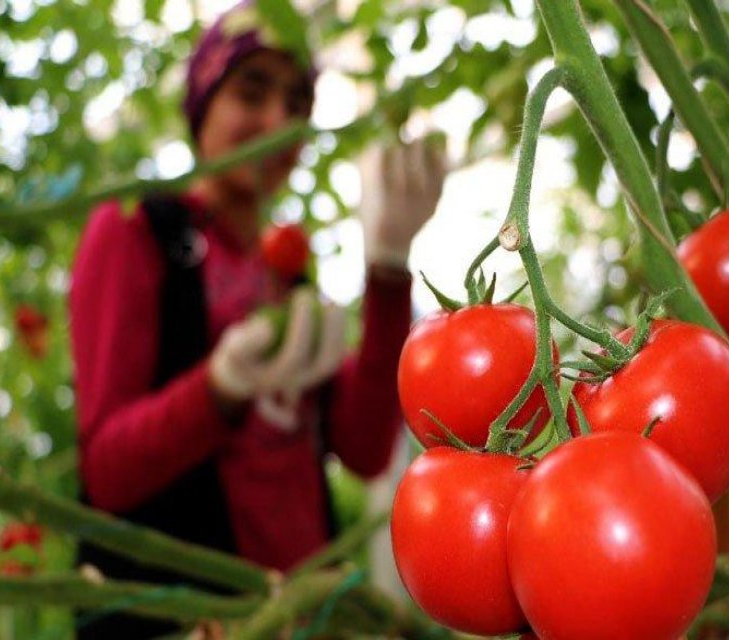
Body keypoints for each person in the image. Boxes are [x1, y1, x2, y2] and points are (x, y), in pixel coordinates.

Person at [68, 3, 446, 637]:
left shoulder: (285, 270)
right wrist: (216, 391)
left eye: (298, 103)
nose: (279, 121)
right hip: (185, 618)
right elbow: (106, 471)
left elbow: (361, 445)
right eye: (252, 91)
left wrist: (386, 268)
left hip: (299, 613)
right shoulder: (137, 229)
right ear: (203, 103)